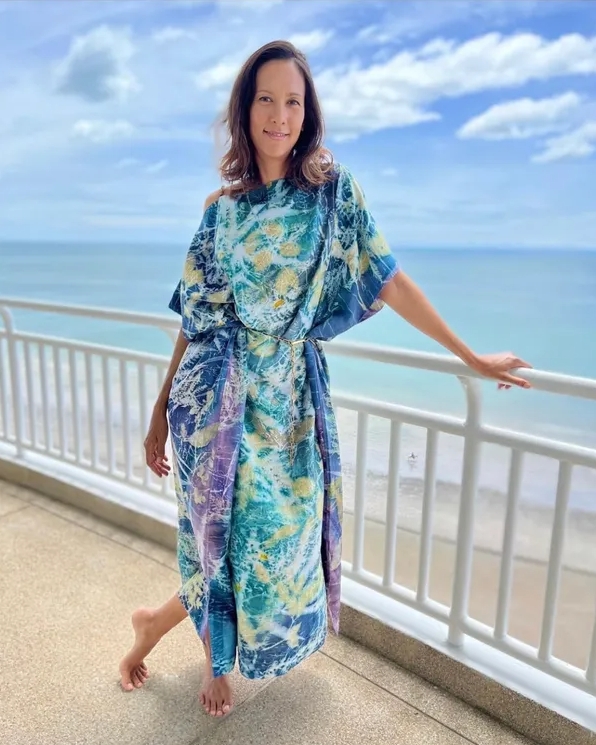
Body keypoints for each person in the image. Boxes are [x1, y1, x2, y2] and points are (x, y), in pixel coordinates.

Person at [119, 39, 532, 717]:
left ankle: (151, 624)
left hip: (287, 406)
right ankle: (214, 660)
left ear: (307, 112)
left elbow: (388, 279)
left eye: (293, 101)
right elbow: (194, 318)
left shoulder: (333, 193)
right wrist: (159, 412)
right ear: (245, 110)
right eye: (266, 99)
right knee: (220, 539)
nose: (279, 115)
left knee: (276, 547)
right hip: (215, 402)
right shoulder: (220, 210)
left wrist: (471, 357)